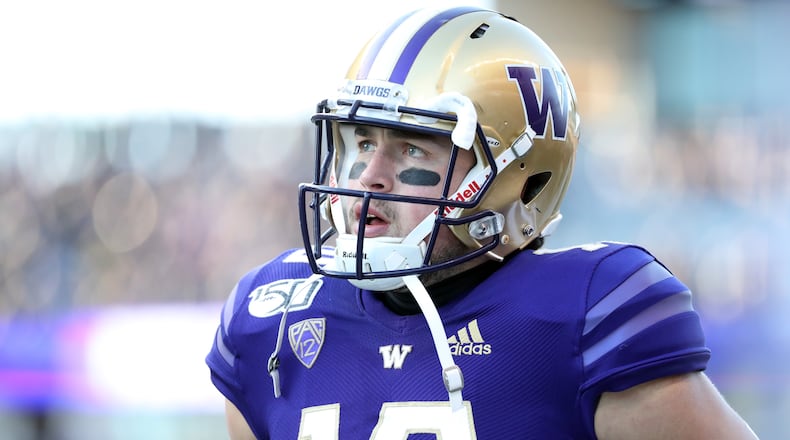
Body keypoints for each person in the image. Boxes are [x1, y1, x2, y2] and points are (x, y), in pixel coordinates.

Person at [206, 6, 758, 439]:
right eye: (363, 142)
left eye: (413, 150)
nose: (370, 177)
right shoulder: (269, 317)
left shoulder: (588, 314)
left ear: (520, 176)